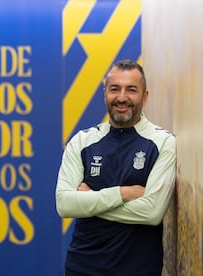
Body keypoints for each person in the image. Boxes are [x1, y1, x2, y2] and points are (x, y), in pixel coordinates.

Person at [55, 60, 177, 275]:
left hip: (139, 269)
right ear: (105, 94)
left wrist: (90, 200)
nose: (122, 97)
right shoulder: (82, 142)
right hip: (82, 267)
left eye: (131, 90)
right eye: (114, 89)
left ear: (145, 96)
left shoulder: (163, 142)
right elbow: (65, 204)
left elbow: (152, 212)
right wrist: (123, 193)